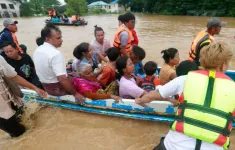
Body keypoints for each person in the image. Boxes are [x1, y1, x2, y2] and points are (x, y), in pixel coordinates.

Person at [136, 42, 235, 150]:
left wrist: (140, 100)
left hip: (174, 146)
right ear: (224, 64)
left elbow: (152, 96)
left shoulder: (185, 79)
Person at [33, 24, 83, 103]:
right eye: (58, 38)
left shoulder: (37, 50)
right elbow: (62, 79)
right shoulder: (56, 54)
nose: (61, 40)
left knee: (72, 75)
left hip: (46, 87)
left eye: (61, 37)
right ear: (48, 39)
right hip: (58, 89)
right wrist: (75, 93)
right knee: (81, 80)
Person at [0, 55, 46, 137]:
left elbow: (14, 76)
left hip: (13, 101)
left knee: (28, 119)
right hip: (2, 114)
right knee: (19, 134)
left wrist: (35, 88)